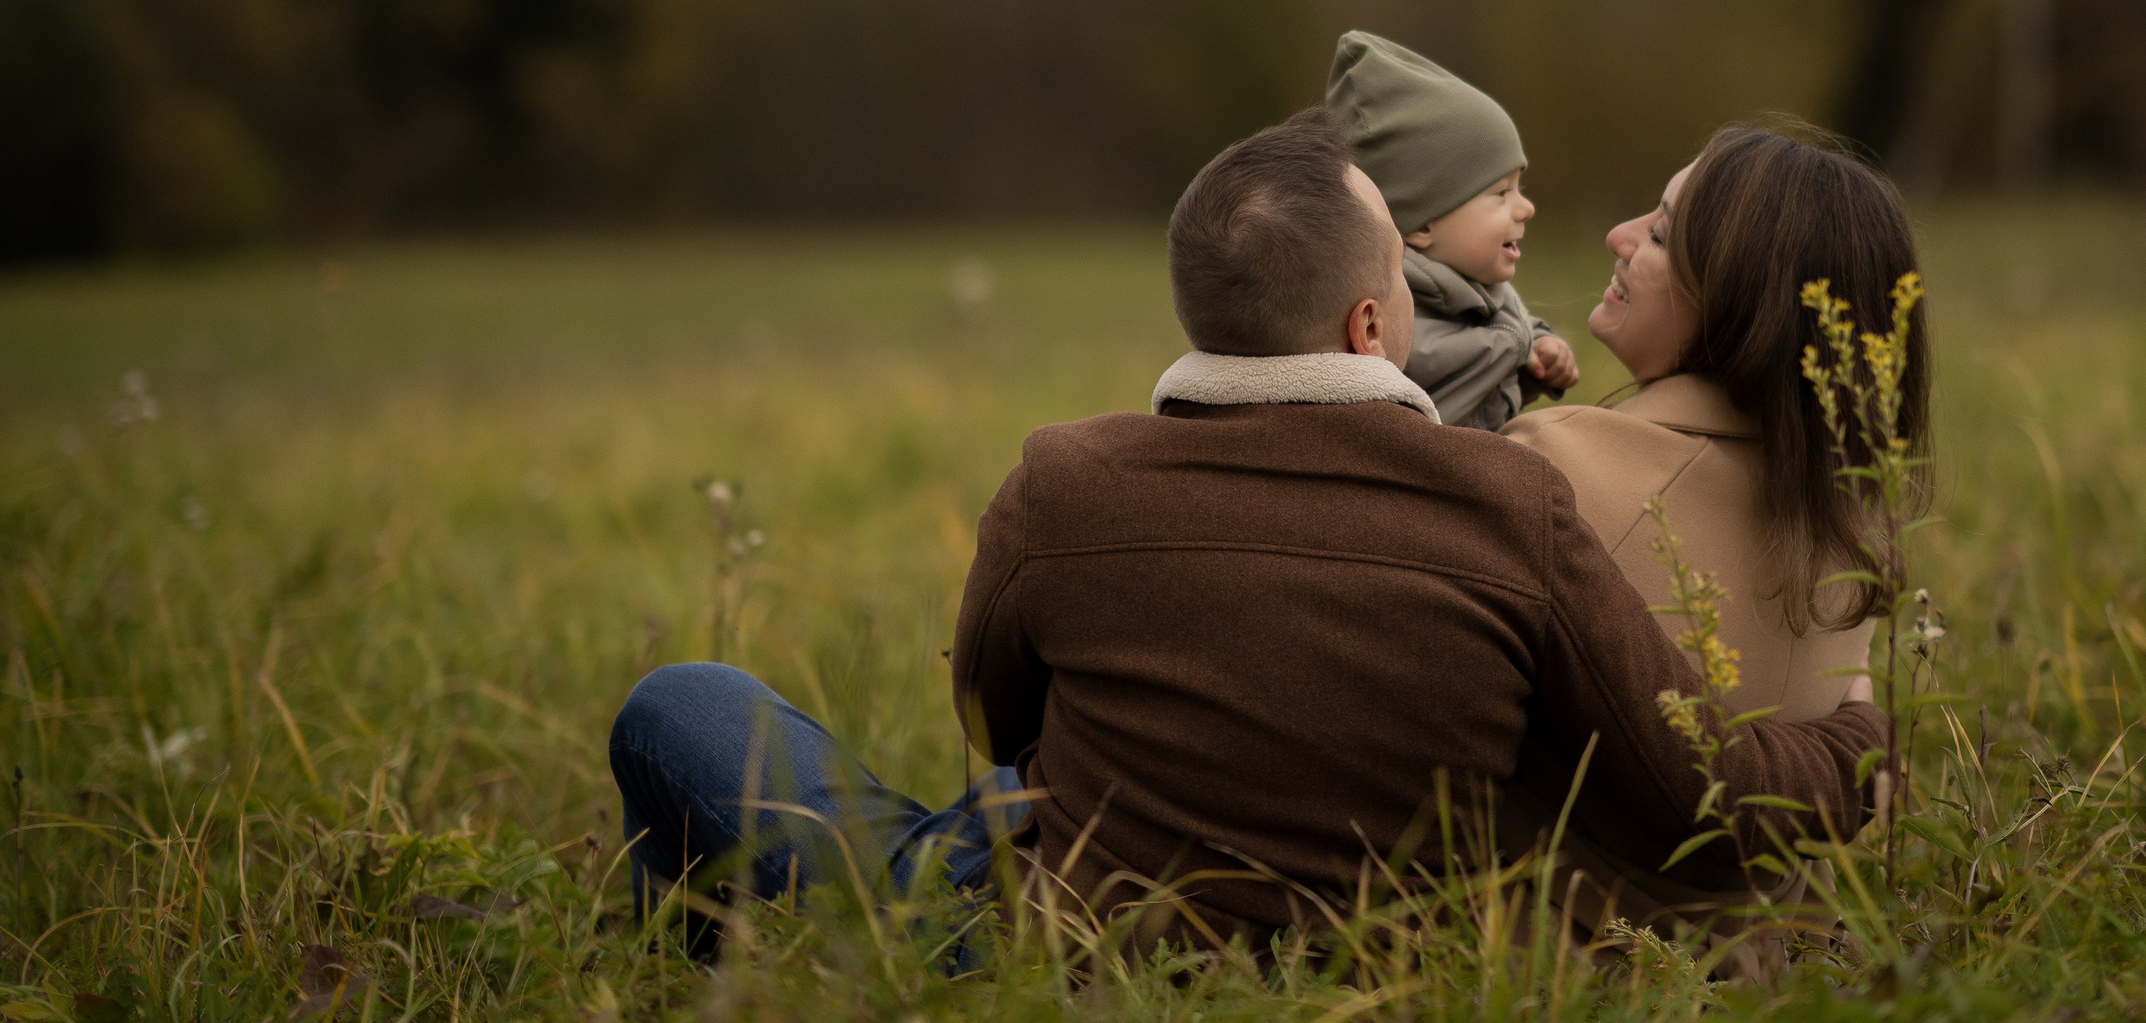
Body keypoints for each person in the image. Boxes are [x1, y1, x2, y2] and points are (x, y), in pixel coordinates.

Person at [608, 109, 1884, 959]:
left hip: (1071, 941)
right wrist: (1865, 733)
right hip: (1385, 946)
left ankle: (704, 958)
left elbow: (999, 721)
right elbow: (1698, 781)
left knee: (690, 703)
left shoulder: (1062, 475)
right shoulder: (1519, 502)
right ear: (1374, 327)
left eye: (1658, 226)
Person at [1503, 121, 1930, 934]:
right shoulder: (1855, 514)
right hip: (1766, 957)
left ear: (1737, 298)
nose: (1619, 237)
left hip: (1555, 955)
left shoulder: (1552, 471)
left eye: (1660, 233)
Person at [1324, 31, 1581, 429]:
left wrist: (1540, 346)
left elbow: (1509, 323)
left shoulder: (1477, 288)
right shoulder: (1384, 314)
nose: (1526, 208)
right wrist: (1515, 346)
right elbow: (1437, 367)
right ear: (1422, 224)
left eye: (1520, 188)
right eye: (1501, 193)